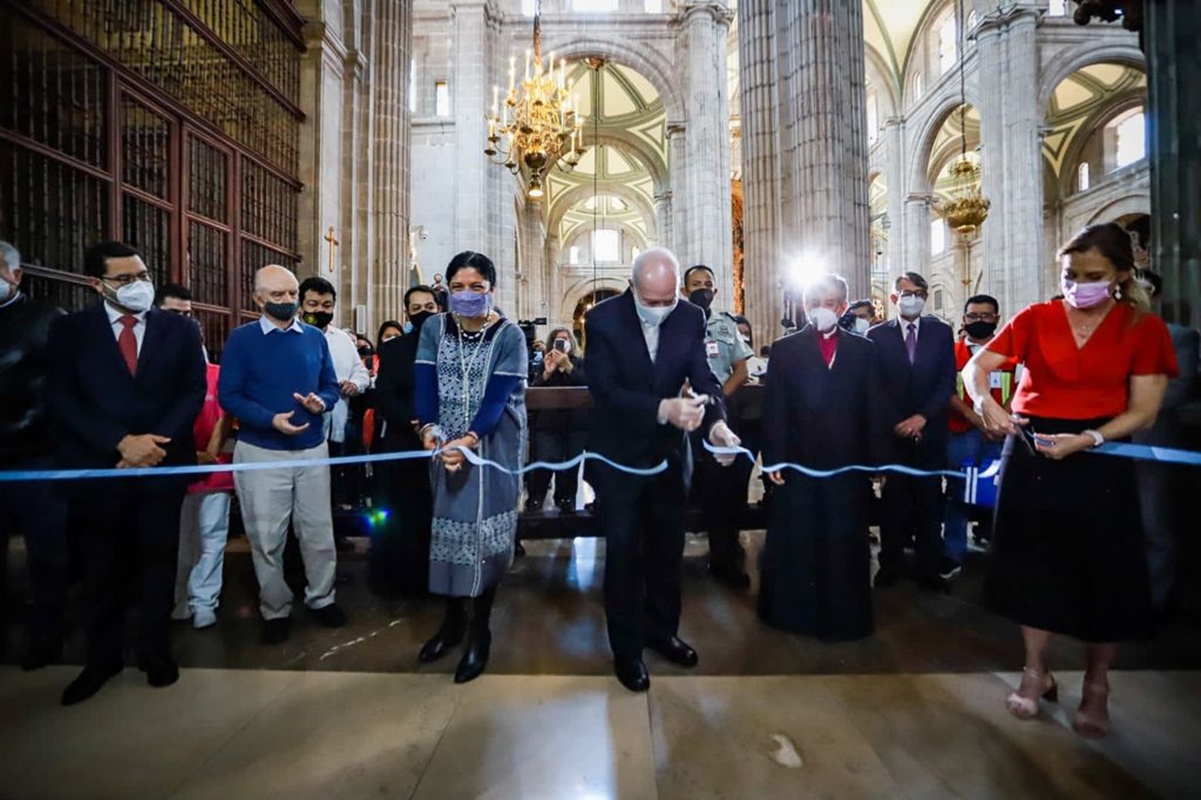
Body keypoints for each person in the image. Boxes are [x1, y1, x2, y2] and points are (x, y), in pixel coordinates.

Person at [964, 223, 1177, 739]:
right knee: (1032, 566)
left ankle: (1098, 684)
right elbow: (977, 367)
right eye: (1069, 275)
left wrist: (1089, 440)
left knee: (1102, 573)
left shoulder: (1141, 328)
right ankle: (1036, 670)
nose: (1078, 284)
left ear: (1122, 276)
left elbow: (1145, 410)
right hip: (1034, 450)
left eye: (1092, 275)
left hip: (1101, 453)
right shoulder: (1037, 317)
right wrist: (987, 401)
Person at [47, 241, 206, 705]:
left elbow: (192, 390)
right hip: (101, 466)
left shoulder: (179, 329)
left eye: (142, 275)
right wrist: (120, 442)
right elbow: (62, 398)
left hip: (161, 464)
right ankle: (102, 658)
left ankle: (154, 652)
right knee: (100, 567)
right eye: (124, 279)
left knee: (158, 562)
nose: (138, 285)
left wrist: (154, 443)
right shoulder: (71, 332)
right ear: (96, 284)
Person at [586, 247, 740, 693]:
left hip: (671, 458)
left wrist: (717, 426)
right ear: (632, 288)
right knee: (624, 555)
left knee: (667, 550)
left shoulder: (690, 317)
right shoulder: (603, 320)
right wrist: (661, 408)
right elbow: (606, 390)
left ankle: (662, 631)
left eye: (668, 300)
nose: (661, 310)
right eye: (650, 302)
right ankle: (627, 649)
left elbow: (705, 378)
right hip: (620, 456)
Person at [218, 265, 348, 645]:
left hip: (311, 450)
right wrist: (269, 420)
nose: (288, 302)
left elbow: (329, 385)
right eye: (278, 296)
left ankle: (322, 598)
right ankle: (275, 608)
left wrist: (320, 402)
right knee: (267, 536)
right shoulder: (242, 340)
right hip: (262, 451)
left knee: (318, 532)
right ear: (258, 299)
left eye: (291, 294)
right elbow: (230, 396)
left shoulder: (313, 338)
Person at [414, 252, 527, 684]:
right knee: (449, 528)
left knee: (480, 533)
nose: (465, 295)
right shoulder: (433, 328)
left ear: (491, 289)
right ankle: (452, 621)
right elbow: (425, 383)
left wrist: (470, 439)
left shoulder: (509, 335)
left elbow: (498, 398)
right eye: (457, 287)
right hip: (444, 442)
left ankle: (480, 630)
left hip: (493, 442)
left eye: (475, 287)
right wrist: (429, 428)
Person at [759, 274, 886, 641]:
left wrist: (877, 461)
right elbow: (775, 409)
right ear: (804, 304)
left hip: (848, 462)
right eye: (815, 299)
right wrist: (774, 458)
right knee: (798, 537)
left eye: (831, 302)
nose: (822, 307)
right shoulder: (785, 349)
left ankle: (845, 616)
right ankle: (793, 615)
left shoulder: (864, 350)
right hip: (798, 461)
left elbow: (873, 406)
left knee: (844, 538)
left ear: (843, 307)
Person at [0, 240, 68, 671]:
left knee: (47, 555)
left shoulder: (47, 322)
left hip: (37, 459)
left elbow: (67, 390)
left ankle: (47, 634)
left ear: (16, 274)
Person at [866, 272, 956, 590]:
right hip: (892, 436)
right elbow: (874, 388)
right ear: (893, 298)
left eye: (918, 292)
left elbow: (947, 382)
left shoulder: (942, 332)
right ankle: (890, 565)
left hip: (930, 431)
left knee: (931, 502)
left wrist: (922, 418)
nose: (912, 297)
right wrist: (899, 423)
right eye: (905, 292)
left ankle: (928, 568)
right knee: (892, 503)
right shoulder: (876, 336)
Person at [156, 296, 234, 631]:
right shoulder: (158, 378)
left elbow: (226, 414)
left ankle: (205, 601)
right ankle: (180, 599)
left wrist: (209, 452)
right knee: (178, 539)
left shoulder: (217, 375)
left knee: (212, 537)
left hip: (212, 469)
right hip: (173, 467)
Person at [683, 264, 755, 588]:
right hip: (681, 416)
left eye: (708, 283)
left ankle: (725, 558)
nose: (703, 288)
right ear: (684, 290)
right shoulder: (674, 321)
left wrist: (716, 401)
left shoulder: (726, 323)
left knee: (724, 489)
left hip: (720, 416)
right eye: (696, 284)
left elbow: (740, 369)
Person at [1133, 271, 1199, 612]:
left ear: (1153, 294)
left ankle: (1152, 604)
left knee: (1154, 527)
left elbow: (1177, 389)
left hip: (1150, 446)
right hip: (1099, 449)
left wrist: (1119, 405)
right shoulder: (1100, 338)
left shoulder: (1180, 337)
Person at [942, 294, 1017, 579]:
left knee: (1002, 494)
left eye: (986, 316)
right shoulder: (951, 352)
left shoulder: (1011, 352)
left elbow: (1020, 387)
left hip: (1002, 433)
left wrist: (1000, 418)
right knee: (958, 493)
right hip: (961, 432)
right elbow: (946, 391)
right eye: (973, 316)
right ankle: (952, 553)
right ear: (963, 319)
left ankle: (1003, 557)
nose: (979, 321)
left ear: (997, 319)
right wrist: (977, 418)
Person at [371, 285, 440, 596]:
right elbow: (384, 396)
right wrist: (413, 420)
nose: (424, 312)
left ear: (439, 309)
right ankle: (403, 581)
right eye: (416, 308)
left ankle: (442, 578)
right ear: (407, 313)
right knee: (404, 513)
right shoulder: (394, 349)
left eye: (429, 306)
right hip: (404, 442)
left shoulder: (453, 346)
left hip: (446, 443)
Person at [298, 277, 371, 512]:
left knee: (330, 483)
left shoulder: (341, 340)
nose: (320, 310)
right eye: (313, 304)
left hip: (334, 424)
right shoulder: (291, 336)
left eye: (327, 305)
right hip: (298, 425)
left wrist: (356, 384)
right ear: (301, 306)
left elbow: (361, 371)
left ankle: (331, 534)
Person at [526, 327, 589, 513]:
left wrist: (568, 366)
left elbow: (587, 386)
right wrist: (547, 373)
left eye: (565, 339)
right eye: (558, 340)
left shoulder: (579, 363)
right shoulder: (544, 363)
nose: (562, 343)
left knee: (570, 467)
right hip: (549, 424)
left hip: (575, 425)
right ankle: (536, 498)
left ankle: (566, 499)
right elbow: (533, 391)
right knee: (544, 462)